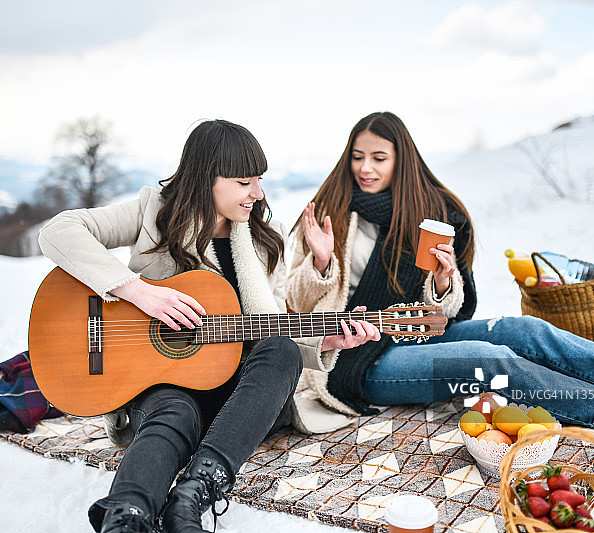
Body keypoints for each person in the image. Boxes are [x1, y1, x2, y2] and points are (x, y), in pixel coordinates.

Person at [38, 119, 379, 533]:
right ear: (206, 179)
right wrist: (140, 292)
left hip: (238, 403)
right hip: (163, 386)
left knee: (281, 348)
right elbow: (59, 231)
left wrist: (325, 339)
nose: (257, 193)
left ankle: (196, 492)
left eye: (259, 180)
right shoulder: (152, 212)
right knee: (174, 412)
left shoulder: (264, 241)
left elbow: (267, 325)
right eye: (243, 181)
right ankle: (125, 516)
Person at [286, 111, 594, 432]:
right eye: (358, 157)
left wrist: (444, 282)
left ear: (401, 160)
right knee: (484, 360)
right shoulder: (329, 212)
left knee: (523, 330)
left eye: (379, 158)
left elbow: (454, 314)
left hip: (417, 330)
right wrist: (320, 262)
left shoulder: (432, 213)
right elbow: (296, 304)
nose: (365, 168)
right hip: (355, 360)